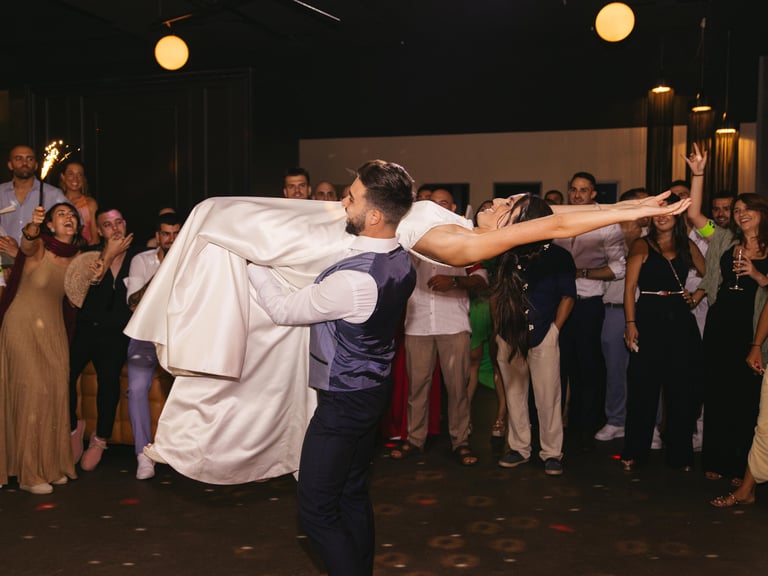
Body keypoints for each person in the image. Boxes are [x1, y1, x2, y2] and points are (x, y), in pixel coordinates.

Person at [126, 175, 690, 486]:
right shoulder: (460, 225)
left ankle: (185, 325)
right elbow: (556, 219)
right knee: (218, 217)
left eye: (509, 204)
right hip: (340, 230)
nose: (499, 199)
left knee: (219, 220)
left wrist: (630, 212)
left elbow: (559, 222)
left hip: (334, 245)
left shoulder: (460, 243)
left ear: (512, 227)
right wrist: (635, 204)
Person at [249, 159, 415, 576]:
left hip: (344, 402)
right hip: (374, 389)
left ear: (374, 216)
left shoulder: (352, 281)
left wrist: (253, 264)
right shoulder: (402, 258)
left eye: (351, 197)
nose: (342, 202)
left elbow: (284, 310)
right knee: (352, 491)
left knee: (316, 511)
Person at [687, 144, 768, 486]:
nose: (740, 214)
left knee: (746, 399)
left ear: (761, 212)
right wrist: (698, 173)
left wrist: (758, 275)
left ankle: (741, 467)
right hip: (721, 323)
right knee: (718, 393)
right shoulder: (722, 239)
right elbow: (694, 215)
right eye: (737, 210)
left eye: (747, 209)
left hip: (753, 328)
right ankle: (716, 459)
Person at [393, 188, 486, 466]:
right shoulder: (411, 238)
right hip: (418, 323)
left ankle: (461, 441)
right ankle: (414, 440)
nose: (437, 208)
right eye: (432, 204)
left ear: (453, 208)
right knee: (417, 387)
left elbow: (481, 278)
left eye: (443, 203)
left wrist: (455, 281)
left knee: (457, 387)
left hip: (453, 324)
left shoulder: (464, 238)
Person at [0, 204, 84, 494]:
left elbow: (82, 292)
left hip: (53, 329)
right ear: (49, 225)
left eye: (72, 215)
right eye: (61, 214)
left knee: (56, 391)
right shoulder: (39, 246)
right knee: (32, 393)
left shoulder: (78, 258)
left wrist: (109, 254)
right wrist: (32, 226)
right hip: (21, 325)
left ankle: (52, 465)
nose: (68, 218)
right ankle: (29, 474)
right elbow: (26, 243)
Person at [620, 195, 705, 471]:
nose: (662, 216)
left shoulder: (687, 245)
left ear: (677, 215)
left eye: (668, 211)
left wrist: (697, 295)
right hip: (648, 318)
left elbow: (711, 273)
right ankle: (635, 451)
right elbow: (629, 288)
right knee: (642, 388)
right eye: (658, 211)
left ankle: (680, 455)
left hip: (680, 321)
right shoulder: (641, 244)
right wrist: (630, 323)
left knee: (681, 389)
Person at [494, 195, 575, 476]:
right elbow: (497, 292)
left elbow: (568, 296)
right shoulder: (506, 251)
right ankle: (519, 448)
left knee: (548, 397)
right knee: (514, 395)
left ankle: (552, 453)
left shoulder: (559, 256)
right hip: (509, 333)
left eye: (521, 214)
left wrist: (554, 330)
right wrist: (498, 328)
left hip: (544, 333)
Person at [555, 172, 626, 451]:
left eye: (583, 190)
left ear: (593, 193)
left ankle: (587, 425)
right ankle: (558, 423)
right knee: (561, 364)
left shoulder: (604, 221)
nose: (577, 195)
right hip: (558, 301)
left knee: (588, 366)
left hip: (588, 301)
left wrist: (583, 272)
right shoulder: (558, 217)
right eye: (573, 189)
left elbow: (619, 267)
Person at [68, 208, 136, 470]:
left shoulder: (139, 255)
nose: (115, 228)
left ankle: (100, 439)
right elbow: (79, 293)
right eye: (108, 225)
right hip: (86, 328)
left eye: (119, 222)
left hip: (117, 332)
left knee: (108, 381)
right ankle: (73, 428)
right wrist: (107, 255)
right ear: (98, 230)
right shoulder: (88, 255)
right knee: (65, 375)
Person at [125, 212, 181, 480]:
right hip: (145, 335)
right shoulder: (141, 261)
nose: (171, 239)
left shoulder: (191, 262)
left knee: (191, 389)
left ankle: (182, 453)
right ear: (158, 236)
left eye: (176, 234)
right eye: (166, 234)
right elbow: (133, 304)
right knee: (136, 389)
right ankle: (143, 454)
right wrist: (163, 272)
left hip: (178, 337)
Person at [595, 187, 649, 443]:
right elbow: (602, 267)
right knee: (614, 371)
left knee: (647, 370)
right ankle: (616, 420)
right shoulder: (608, 233)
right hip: (613, 309)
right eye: (640, 205)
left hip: (643, 309)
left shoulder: (655, 236)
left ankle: (649, 424)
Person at [0, 145, 68, 266]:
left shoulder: (53, 194)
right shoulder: (1, 192)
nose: (25, 163)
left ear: (36, 165)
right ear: (10, 165)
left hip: (39, 265)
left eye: (30, 159)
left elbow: (73, 227)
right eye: (19, 158)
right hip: (5, 263)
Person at [59, 160, 99, 245]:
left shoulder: (90, 203)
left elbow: (95, 239)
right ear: (63, 176)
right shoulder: (56, 201)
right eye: (71, 174)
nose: (75, 178)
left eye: (79, 175)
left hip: (86, 251)